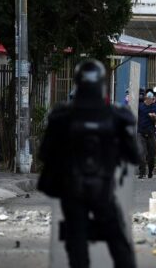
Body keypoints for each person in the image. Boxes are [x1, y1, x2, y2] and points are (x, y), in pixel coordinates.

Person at [37, 59, 139, 268]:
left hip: (71, 190)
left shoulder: (62, 116)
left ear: (77, 83)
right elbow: (135, 156)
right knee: (117, 240)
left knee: (76, 242)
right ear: (101, 83)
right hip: (103, 191)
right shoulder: (116, 115)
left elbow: (45, 153)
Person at [137, 91, 156, 179]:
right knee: (141, 153)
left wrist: (155, 118)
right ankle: (141, 172)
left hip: (151, 133)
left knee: (152, 154)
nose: (151, 101)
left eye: (152, 99)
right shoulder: (140, 106)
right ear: (146, 99)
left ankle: (150, 171)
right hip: (141, 133)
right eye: (149, 99)